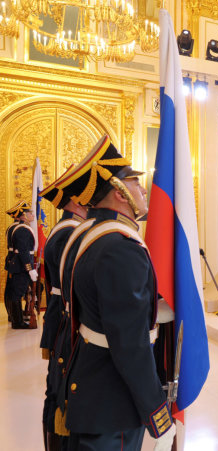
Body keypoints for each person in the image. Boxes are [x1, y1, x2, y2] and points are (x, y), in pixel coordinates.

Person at [55, 135, 175, 450]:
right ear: (119, 193)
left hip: (91, 384)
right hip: (113, 400)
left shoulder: (88, 234)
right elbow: (130, 346)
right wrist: (157, 413)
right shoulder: (119, 249)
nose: (143, 189)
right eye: (136, 183)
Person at [38, 170, 89, 451]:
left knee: (56, 390)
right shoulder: (71, 232)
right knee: (59, 394)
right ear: (75, 201)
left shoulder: (64, 229)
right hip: (64, 316)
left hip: (59, 312)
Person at [4, 200, 36, 329]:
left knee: (14, 291)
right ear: (23, 215)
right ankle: (18, 322)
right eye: (30, 213)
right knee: (17, 293)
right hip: (21, 266)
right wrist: (30, 269)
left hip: (15, 264)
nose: (32, 215)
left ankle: (14, 317)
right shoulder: (22, 229)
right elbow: (24, 251)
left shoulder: (17, 227)